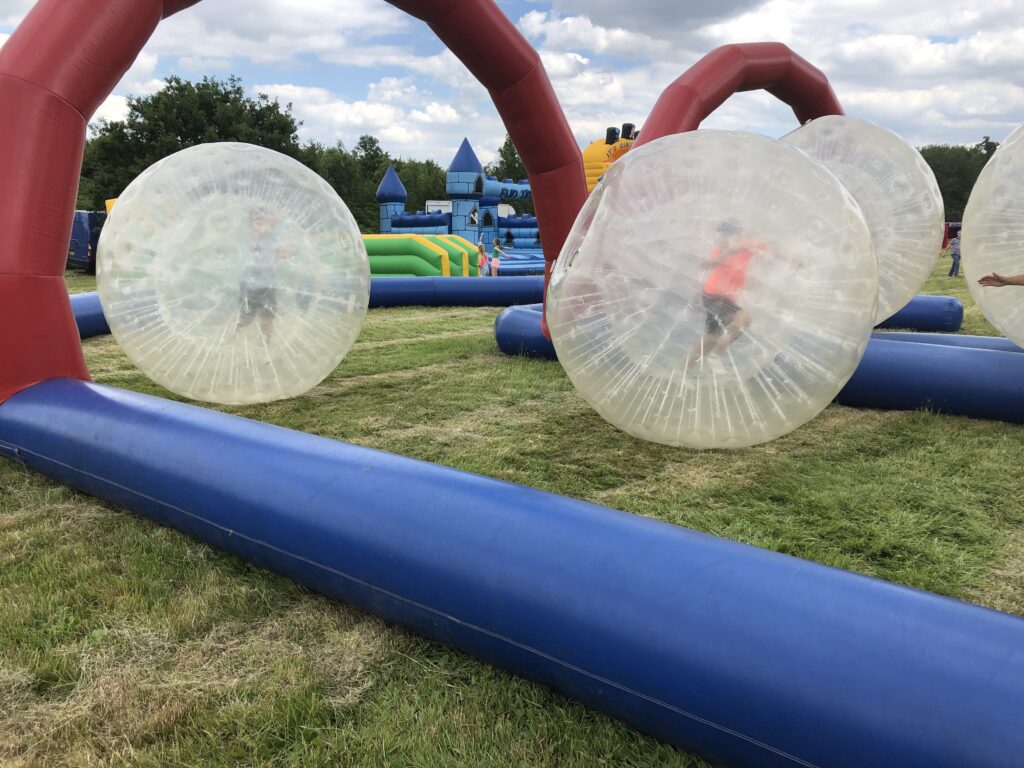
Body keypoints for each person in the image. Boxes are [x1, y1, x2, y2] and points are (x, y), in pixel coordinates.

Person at [686, 219, 776, 367]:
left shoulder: (746, 246)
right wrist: (728, 251)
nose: (734, 239)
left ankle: (682, 371)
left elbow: (769, 251)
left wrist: (791, 260)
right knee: (744, 319)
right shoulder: (721, 249)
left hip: (726, 298)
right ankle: (715, 357)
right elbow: (706, 266)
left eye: (737, 236)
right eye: (729, 237)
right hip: (713, 295)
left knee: (710, 339)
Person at [236, 208, 290, 342]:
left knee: (268, 316)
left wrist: (277, 254)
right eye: (257, 219)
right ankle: (231, 335)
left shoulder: (274, 237)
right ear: (250, 222)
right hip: (249, 283)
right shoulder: (249, 235)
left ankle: (265, 343)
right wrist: (268, 225)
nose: (261, 222)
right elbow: (257, 239)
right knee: (247, 317)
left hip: (269, 282)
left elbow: (286, 253)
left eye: (264, 218)